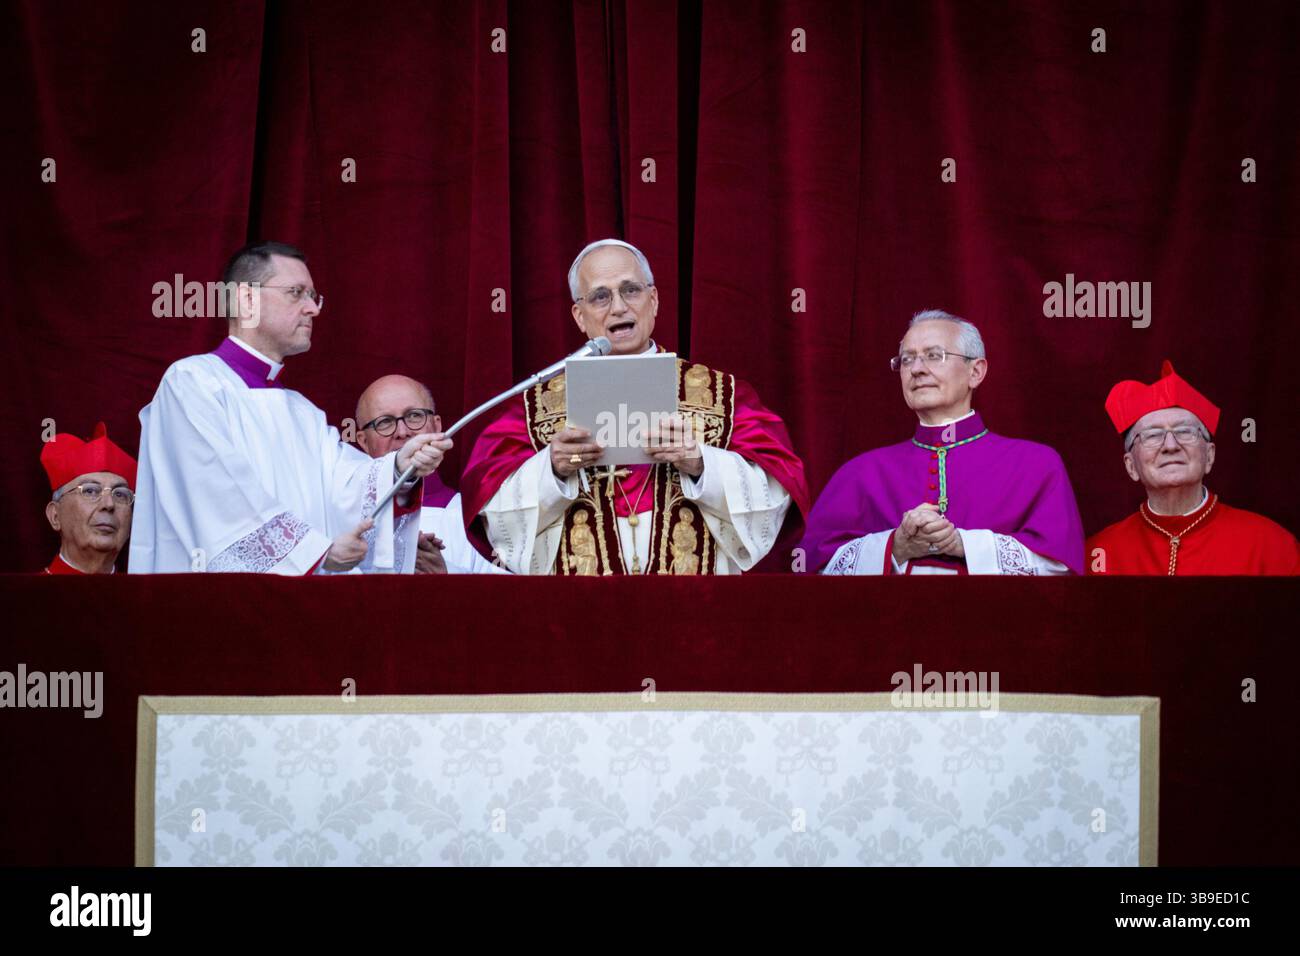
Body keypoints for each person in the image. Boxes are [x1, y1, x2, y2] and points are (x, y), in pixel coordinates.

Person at [461, 238, 808, 574]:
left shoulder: (721, 394)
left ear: (653, 300)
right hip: (578, 618)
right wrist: (551, 470)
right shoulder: (535, 407)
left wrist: (701, 463)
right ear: (580, 316)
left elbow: (776, 493)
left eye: (631, 290)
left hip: (694, 612)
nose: (618, 307)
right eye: (600, 296)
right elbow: (492, 510)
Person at [129, 241, 449, 574]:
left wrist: (399, 466)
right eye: (296, 293)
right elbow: (219, 496)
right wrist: (316, 552)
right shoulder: (192, 383)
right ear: (246, 299)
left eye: (314, 296)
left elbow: (344, 486)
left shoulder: (303, 413)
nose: (313, 309)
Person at [802, 310, 1084, 575]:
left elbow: (1061, 567)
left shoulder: (1036, 465)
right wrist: (894, 546)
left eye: (934, 355)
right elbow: (813, 566)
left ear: (976, 372)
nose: (917, 369)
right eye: (907, 359)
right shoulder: (860, 473)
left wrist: (964, 545)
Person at [1087, 359, 1298, 575]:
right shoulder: (1099, 553)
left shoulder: (1271, 546)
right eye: (1152, 435)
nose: (1170, 446)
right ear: (1131, 466)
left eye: (1185, 432)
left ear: (1209, 455)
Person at [355, 374, 505, 574]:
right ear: (363, 441)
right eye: (384, 422)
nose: (402, 431)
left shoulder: (478, 516)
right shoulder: (338, 512)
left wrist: (445, 575)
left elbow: (507, 598)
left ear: (436, 426)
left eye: (414, 416)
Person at [40, 422, 136, 574]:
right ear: (55, 516)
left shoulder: (148, 596)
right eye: (90, 491)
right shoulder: (21, 596)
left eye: (120, 494)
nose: (109, 504)